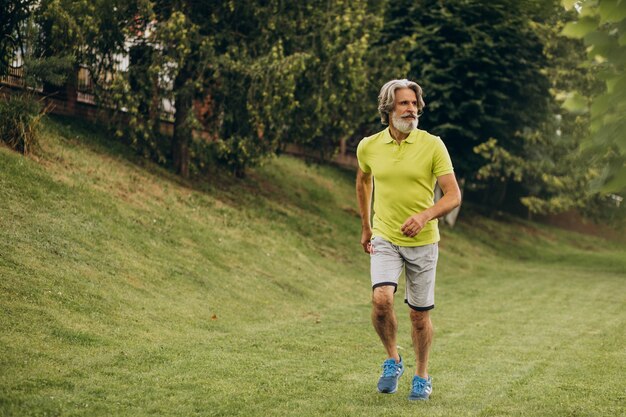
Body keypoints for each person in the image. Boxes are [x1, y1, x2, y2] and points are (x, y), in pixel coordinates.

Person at [355, 79, 461, 401]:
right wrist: (366, 225)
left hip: (424, 241)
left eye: (414, 104)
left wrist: (425, 215)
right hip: (385, 235)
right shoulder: (368, 146)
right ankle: (393, 359)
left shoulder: (433, 145)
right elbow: (363, 180)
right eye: (404, 103)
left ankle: (422, 375)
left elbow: (453, 195)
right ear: (388, 109)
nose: (411, 109)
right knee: (381, 300)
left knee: (419, 316)